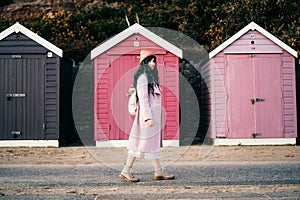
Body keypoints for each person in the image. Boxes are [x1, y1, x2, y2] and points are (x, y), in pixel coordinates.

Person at [119, 49, 174, 182]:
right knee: (139, 145)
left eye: (154, 60)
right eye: (150, 61)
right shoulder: (143, 77)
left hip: (152, 117)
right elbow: (143, 100)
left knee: (151, 144)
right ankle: (126, 171)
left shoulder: (151, 78)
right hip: (146, 118)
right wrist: (147, 117)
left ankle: (158, 171)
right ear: (144, 62)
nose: (153, 63)